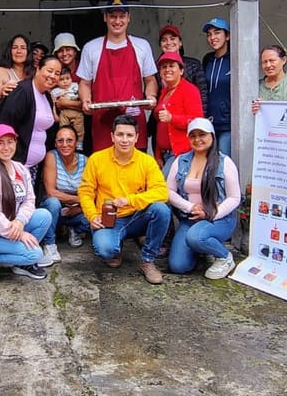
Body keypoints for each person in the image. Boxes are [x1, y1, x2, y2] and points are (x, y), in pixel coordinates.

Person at [78, 115, 171, 284]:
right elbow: (85, 191)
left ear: (136, 137)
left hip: (137, 215)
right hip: (109, 218)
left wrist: (130, 200)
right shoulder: (96, 159)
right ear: (112, 136)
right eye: (120, 135)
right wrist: (92, 216)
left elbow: (162, 192)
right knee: (106, 251)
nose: (124, 140)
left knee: (162, 210)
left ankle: (148, 260)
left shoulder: (147, 161)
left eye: (129, 135)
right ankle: (116, 246)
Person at [0, 54, 61, 265]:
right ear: (38, 68)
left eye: (57, 73)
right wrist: (8, 162)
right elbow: (4, 128)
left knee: (26, 211)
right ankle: (12, 255)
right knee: (12, 211)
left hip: (32, 167)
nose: (52, 76)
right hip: (16, 165)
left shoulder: (46, 95)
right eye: (49, 70)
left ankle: (25, 250)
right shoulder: (22, 91)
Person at [0, 124, 51, 280]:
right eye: (0, 143)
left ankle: (20, 261)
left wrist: (19, 222)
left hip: (11, 225)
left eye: (10, 142)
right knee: (35, 253)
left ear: (15, 143)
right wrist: (19, 235)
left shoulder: (19, 168)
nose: (6, 147)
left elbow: (29, 200)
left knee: (44, 216)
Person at [78, 0, 158, 152]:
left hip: (133, 119)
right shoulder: (91, 47)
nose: (117, 21)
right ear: (105, 18)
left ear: (129, 18)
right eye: (113, 16)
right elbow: (84, 83)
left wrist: (151, 96)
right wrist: (86, 100)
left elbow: (150, 80)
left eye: (122, 16)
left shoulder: (142, 46)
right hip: (103, 121)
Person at [165, 119, 241, 279]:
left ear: (212, 136)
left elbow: (234, 198)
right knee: (178, 266)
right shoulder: (181, 160)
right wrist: (190, 207)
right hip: (190, 218)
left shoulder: (224, 162)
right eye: (192, 135)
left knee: (196, 236)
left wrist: (211, 212)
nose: (197, 139)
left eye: (202, 134)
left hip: (219, 220)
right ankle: (202, 250)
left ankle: (224, 257)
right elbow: (169, 191)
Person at [40, 125, 91, 249]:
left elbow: (93, 194)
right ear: (56, 144)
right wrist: (80, 200)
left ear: (76, 143)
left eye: (69, 140)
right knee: (53, 203)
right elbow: (51, 192)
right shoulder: (51, 156)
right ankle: (50, 244)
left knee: (96, 214)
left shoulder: (85, 161)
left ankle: (75, 229)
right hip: (57, 209)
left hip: (77, 210)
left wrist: (79, 208)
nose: (65, 144)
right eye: (60, 141)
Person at [152, 51, 204, 166]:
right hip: (164, 154)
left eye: (172, 66)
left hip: (181, 153)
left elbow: (197, 121)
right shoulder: (164, 92)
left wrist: (172, 118)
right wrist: (158, 154)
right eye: (164, 67)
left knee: (165, 184)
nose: (167, 69)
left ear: (181, 71)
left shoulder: (190, 90)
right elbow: (160, 125)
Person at [158, 24, 208, 110]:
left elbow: (203, 95)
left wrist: (199, 121)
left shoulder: (194, 65)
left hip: (189, 116)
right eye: (164, 40)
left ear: (180, 43)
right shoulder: (155, 66)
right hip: (162, 117)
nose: (169, 43)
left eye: (172, 39)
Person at [201, 18, 232, 156]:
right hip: (209, 122)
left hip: (228, 124)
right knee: (208, 162)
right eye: (209, 34)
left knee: (224, 161)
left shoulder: (235, 59)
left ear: (227, 36)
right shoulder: (207, 59)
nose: (212, 37)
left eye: (217, 32)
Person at [251, 45, 287, 114]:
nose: (268, 65)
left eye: (272, 61)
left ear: (284, 60)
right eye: (264, 62)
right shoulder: (256, 86)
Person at [0, 34, 32, 107]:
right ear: (9, 51)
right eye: (15, 47)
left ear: (28, 52)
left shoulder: (33, 73)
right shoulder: (0, 71)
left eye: (23, 48)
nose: (19, 51)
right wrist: (0, 92)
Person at [51, 66, 85, 146]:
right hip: (64, 113)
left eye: (67, 78)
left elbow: (82, 99)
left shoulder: (76, 86)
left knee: (79, 129)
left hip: (77, 112)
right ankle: (62, 143)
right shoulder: (55, 91)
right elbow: (53, 103)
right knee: (63, 128)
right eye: (61, 79)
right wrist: (55, 114)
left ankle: (79, 144)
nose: (65, 81)